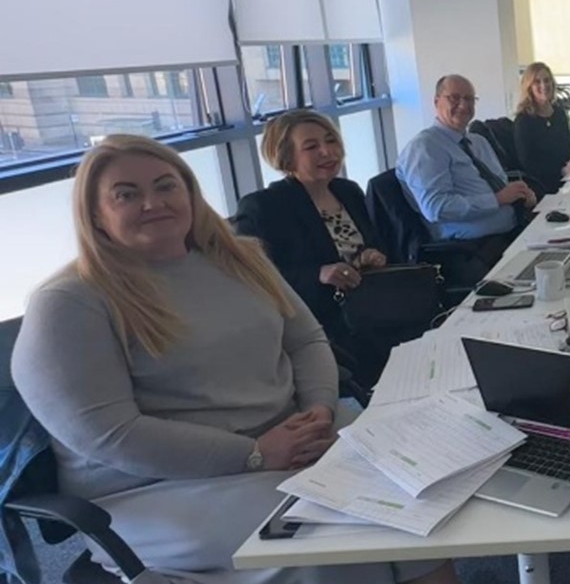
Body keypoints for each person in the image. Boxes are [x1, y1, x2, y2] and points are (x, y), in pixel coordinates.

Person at [11, 135, 455, 584]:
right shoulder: (70, 302)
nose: (152, 203)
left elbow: (306, 341)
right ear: (94, 214)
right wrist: (255, 455)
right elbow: (110, 434)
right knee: (338, 536)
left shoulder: (240, 259)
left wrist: (320, 409)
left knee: (419, 496)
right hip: (161, 488)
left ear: (189, 193)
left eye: (166, 186)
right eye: (126, 194)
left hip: (291, 439)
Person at [233, 110, 387, 345]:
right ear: (287, 157)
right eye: (311, 147)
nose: (327, 151)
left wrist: (369, 255)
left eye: (331, 141)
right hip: (318, 327)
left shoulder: (348, 191)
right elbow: (252, 278)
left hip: (371, 311)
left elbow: (374, 242)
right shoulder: (264, 207)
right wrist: (317, 274)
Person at [397, 74, 536, 267]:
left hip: (515, 231)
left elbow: (501, 184)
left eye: (469, 99)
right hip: (473, 251)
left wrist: (521, 195)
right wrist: (496, 200)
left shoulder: (478, 141)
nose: (463, 105)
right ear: (436, 101)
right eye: (454, 98)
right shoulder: (425, 148)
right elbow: (436, 208)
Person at [514, 61, 570, 196]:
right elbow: (528, 164)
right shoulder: (524, 120)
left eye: (547, 80)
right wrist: (561, 171)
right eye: (537, 82)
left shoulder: (559, 113)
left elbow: (568, 146)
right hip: (542, 185)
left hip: (567, 177)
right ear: (529, 87)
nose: (543, 85)